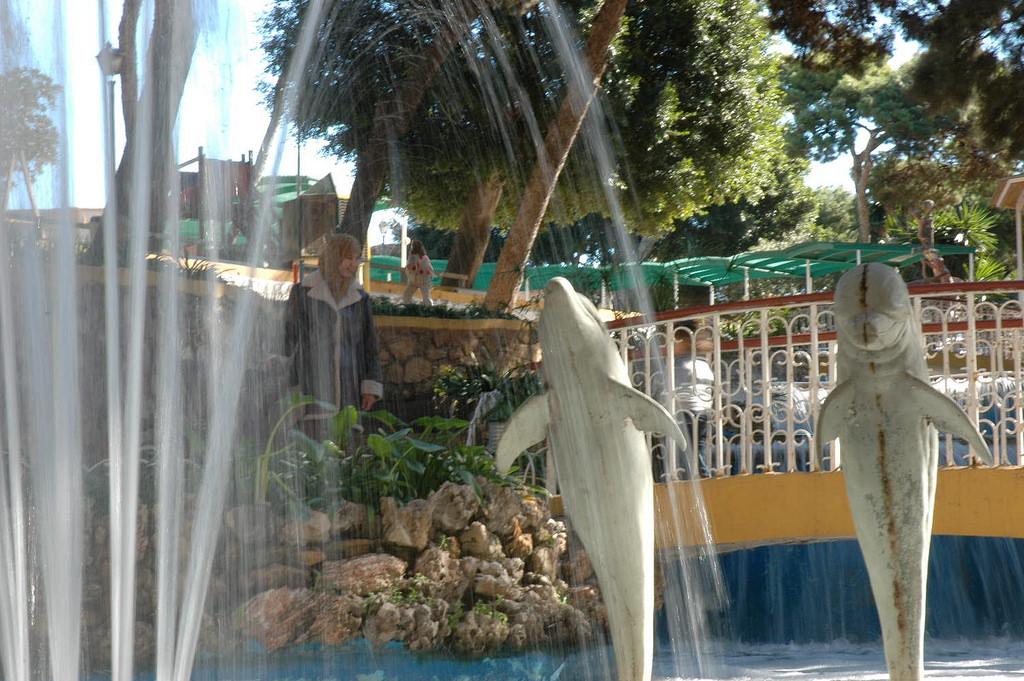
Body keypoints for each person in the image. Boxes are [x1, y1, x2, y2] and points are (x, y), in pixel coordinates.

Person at [284, 234, 383, 436]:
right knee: (310, 455)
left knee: (345, 456)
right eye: (349, 258)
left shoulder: (360, 298)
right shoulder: (302, 293)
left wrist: (370, 386)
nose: (354, 264)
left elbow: (369, 345)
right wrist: (290, 382)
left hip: (349, 392)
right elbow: (288, 338)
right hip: (310, 389)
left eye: (357, 258)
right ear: (334, 257)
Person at [672, 325, 714, 478]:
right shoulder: (701, 362)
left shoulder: (679, 364)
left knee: (685, 452)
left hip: (686, 411)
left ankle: (697, 480)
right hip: (701, 411)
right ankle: (703, 480)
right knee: (697, 450)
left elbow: (670, 386)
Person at [402, 239, 434, 306]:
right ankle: (429, 308)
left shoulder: (412, 256)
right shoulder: (425, 257)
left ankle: (408, 306)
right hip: (425, 278)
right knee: (426, 296)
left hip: (415, 278)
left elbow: (411, 267)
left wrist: (409, 273)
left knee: (407, 295)